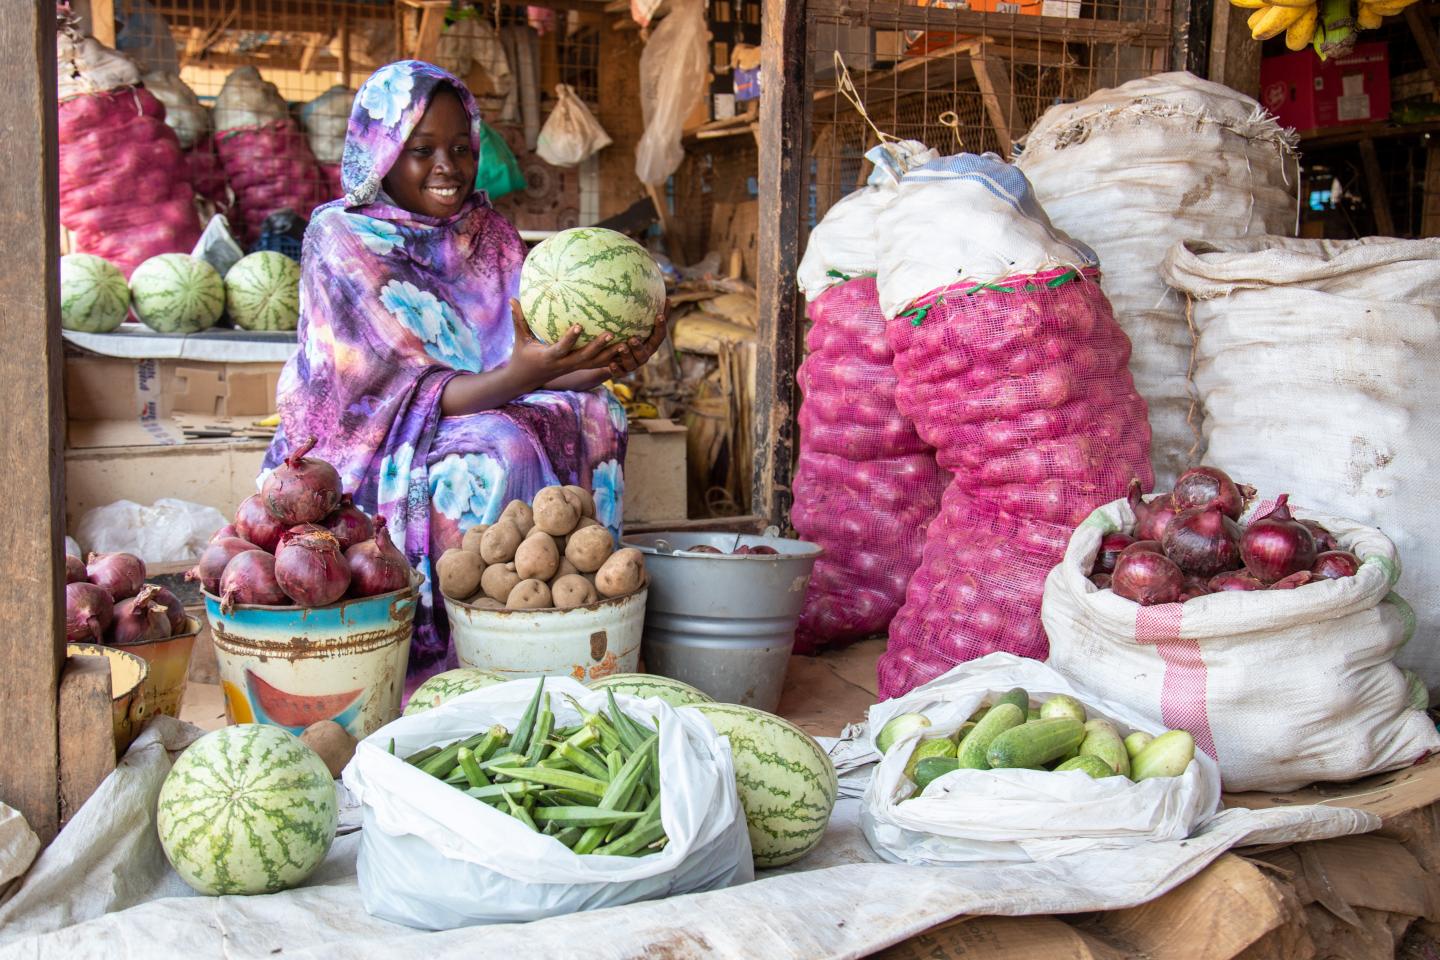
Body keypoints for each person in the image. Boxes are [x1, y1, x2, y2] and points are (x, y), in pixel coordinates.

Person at [262, 61, 667, 690]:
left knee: (599, 412)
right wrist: (524, 374)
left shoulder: (489, 235)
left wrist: (601, 364)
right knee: (498, 445)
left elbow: (535, 366)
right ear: (382, 152)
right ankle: (464, 663)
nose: (447, 166)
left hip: (487, 400)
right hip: (374, 443)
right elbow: (393, 397)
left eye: (459, 147)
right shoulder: (339, 237)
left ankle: (573, 640)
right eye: (420, 150)